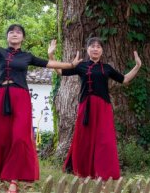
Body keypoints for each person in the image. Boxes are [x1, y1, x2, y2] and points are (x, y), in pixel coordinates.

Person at [0, 20, 80, 193]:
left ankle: (13, 177)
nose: (14, 33)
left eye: (18, 32)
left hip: (21, 97)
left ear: (23, 38)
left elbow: (49, 64)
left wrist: (71, 65)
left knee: (20, 137)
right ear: (7, 36)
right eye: (11, 31)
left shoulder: (27, 56)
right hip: (1, 95)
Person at [49, 37, 142, 180]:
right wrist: (51, 55)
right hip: (85, 106)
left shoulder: (108, 68)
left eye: (98, 47)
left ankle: (104, 172)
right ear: (87, 50)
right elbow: (61, 72)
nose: (95, 49)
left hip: (103, 107)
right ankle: (83, 170)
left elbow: (125, 79)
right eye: (92, 46)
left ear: (102, 50)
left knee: (105, 140)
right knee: (84, 139)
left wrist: (137, 66)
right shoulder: (81, 66)